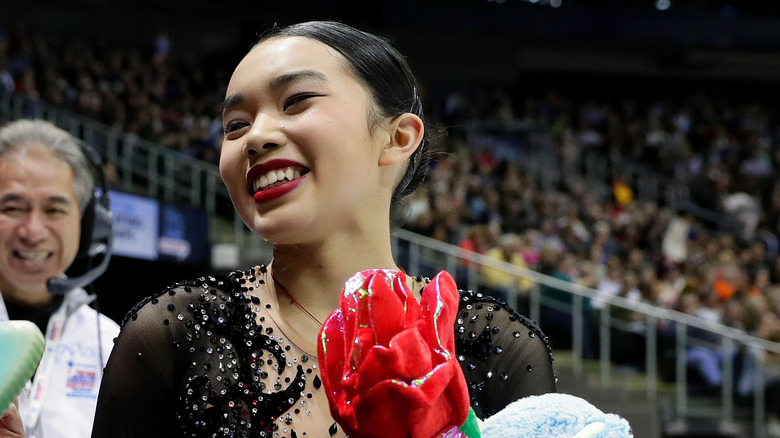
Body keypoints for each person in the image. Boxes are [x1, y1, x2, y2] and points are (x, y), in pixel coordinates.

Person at [91, 21, 556, 437]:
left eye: (296, 101)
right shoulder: (173, 333)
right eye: (235, 125)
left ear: (397, 137)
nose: (255, 136)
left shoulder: (493, 347)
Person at [0, 119, 120, 438]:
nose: (33, 231)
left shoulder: (113, 345)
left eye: (54, 210)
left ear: (87, 225)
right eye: (12, 208)